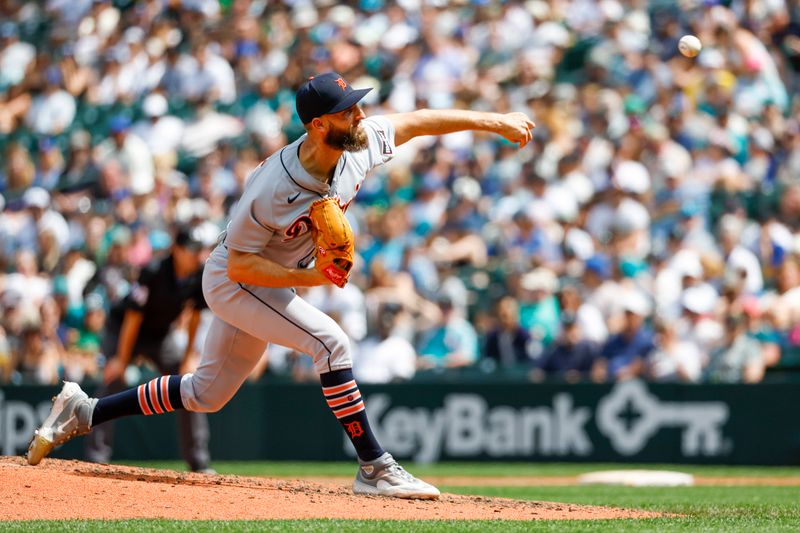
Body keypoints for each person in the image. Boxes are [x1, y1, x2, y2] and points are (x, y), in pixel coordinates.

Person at [27, 72, 535, 499]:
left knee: (207, 393)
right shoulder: (273, 187)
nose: (360, 117)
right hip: (234, 279)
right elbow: (242, 265)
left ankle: (85, 409)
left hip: (269, 281)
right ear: (318, 126)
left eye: (357, 107)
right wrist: (311, 277)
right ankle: (374, 466)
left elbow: (414, 124)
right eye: (347, 111)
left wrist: (494, 121)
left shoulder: (356, 146)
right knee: (330, 343)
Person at [82, 225, 214, 473]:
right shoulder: (154, 270)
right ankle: (96, 457)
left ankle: (199, 461)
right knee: (112, 382)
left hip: (160, 336)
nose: (196, 255)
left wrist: (188, 358)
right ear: (176, 250)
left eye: (199, 250)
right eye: (191, 250)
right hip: (124, 330)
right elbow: (133, 317)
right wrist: (121, 359)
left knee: (189, 385)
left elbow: (196, 316)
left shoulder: (199, 274)